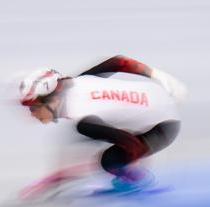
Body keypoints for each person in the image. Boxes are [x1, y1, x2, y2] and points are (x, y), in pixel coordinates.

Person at [14, 55, 186, 199]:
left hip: (163, 126)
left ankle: (138, 182)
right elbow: (118, 62)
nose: (32, 114)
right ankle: (125, 171)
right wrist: (156, 74)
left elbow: (132, 144)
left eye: (33, 108)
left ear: (53, 100)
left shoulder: (84, 120)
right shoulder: (78, 81)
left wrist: (126, 170)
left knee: (109, 161)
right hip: (156, 95)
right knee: (87, 139)